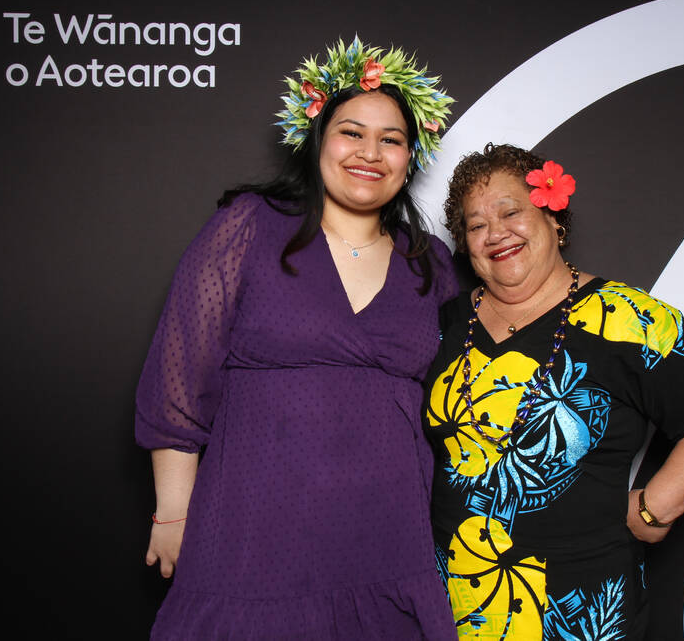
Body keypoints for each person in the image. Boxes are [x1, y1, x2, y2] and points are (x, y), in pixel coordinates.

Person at [136, 37, 458, 640]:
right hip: (254, 528)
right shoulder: (249, 227)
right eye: (351, 132)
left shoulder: (430, 263)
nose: (370, 152)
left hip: (387, 536)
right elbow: (178, 387)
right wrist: (173, 512)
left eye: (391, 140)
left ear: (411, 155)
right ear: (317, 140)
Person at [423, 143, 684, 639]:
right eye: (476, 225)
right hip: (453, 604)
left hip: (580, 609)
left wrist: (654, 508)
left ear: (553, 218)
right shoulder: (445, 319)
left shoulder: (623, 316)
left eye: (511, 212)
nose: (496, 233)